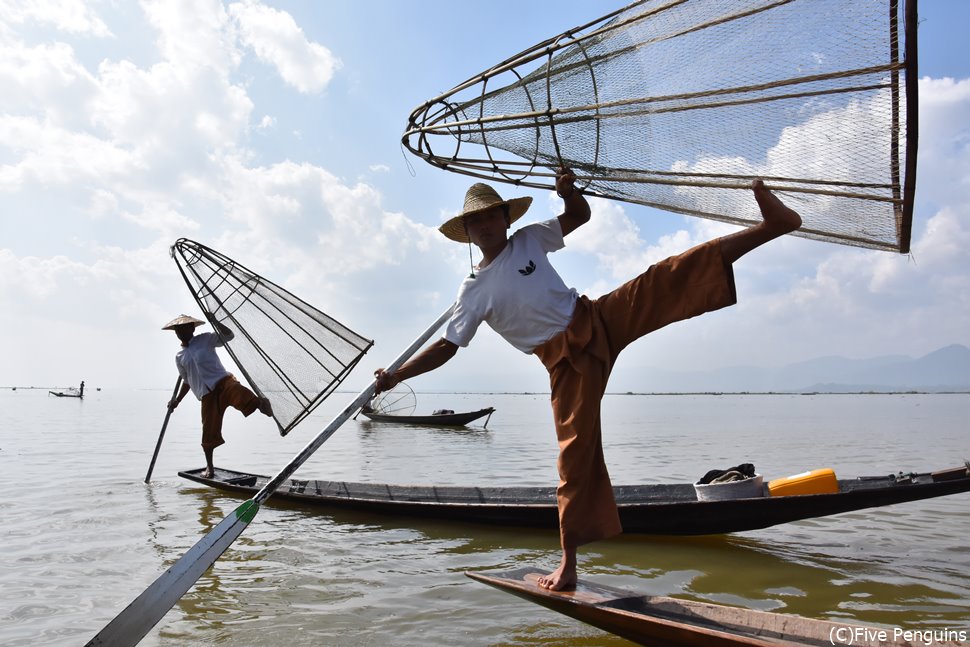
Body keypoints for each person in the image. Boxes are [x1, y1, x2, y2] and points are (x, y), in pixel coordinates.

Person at [374, 170, 801, 590]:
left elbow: (579, 217)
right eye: (476, 221)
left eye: (491, 216)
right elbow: (448, 347)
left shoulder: (529, 238)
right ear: (467, 232)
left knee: (664, 276)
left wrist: (568, 191)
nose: (485, 225)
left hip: (596, 318)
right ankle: (570, 563)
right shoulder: (473, 291)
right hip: (564, 365)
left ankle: (772, 227)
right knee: (575, 456)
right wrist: (397, 375)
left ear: (506, 219)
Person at [163, 314, 273, 478]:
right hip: (206, 395)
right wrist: (176, 401)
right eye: (178, 330)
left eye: (185, 328)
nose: (181, 332)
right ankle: (210, 467)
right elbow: (187, 381)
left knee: (239, 393)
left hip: (222, 383)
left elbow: (229, 336)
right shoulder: (180, 357)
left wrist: (215, 322)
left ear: (192, 328)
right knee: (208, 434)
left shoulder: (205, 339)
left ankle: (261, 404)